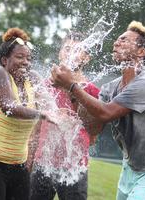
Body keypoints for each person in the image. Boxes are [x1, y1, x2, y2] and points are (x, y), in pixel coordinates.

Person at [51, 21, 145, 199]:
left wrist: (72, 87)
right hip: (132, 166)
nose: (116, 43)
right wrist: (72, 94)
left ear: (142, 52)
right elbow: (95, 125)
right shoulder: (110, 88)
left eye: (125, 40)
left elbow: (107, 112)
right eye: (117, 39)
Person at [0, 28, 54, 200]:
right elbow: (10, 108)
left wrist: (59, 113)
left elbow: (49, 104)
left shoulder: (34, 78)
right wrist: (42, 114)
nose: (25, 62)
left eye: (29, 58)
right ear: (5, 60)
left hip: (18, 166)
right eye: (20, 57)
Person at [29, 32, 101, 200]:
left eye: (78, 50)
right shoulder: (46, 86)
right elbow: (37, 126)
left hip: (74, 165)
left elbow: (94, 134)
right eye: (67, 49)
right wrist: (30, 156)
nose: (71, 53)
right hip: (43, 161)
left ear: (86, 58)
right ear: (60, 53)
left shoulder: (91, 91)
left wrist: (72, 121)